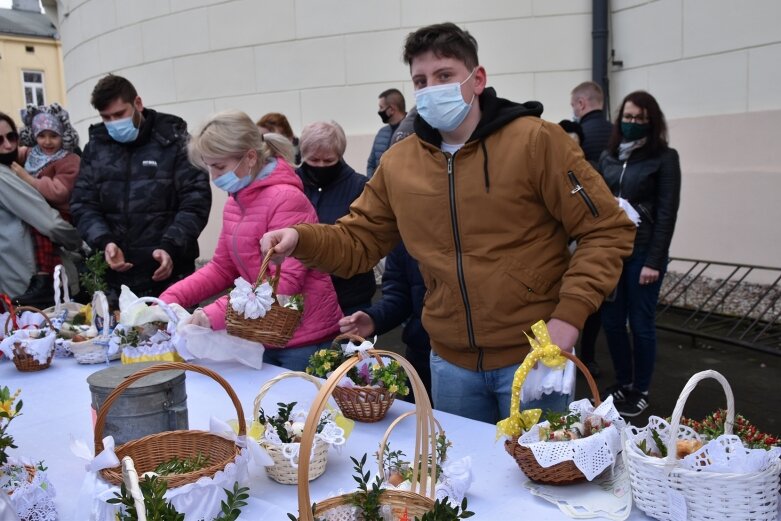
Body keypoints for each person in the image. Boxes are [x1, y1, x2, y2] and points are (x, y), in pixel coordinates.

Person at [261, 22, 636, 424]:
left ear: (477, 79)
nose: (431, 89)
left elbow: (606, 229)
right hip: (450, 363)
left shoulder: (536, 142)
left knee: (541, 478)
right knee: (464, 481)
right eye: (420, 81)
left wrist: (569, 317)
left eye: (444, 76)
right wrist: (300, 237)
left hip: (535, 355)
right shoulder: (400, 163)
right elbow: (358, 241)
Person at [159, 110, 342, 371]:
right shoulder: (237, 201)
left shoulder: (286, 199)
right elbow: (222, 267)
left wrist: (211, 314)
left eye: (219, 166)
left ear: (250, 157)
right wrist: (169, 299)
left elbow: (284, 283)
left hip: (305, 340)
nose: (213, 176)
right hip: (265, 335)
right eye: (209, 166)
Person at [70, 74, 211, 306]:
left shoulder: (174, 141)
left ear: (137, 103)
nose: (114, 123)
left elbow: (195, 202)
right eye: (106, 117)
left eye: (119, 114)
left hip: (171, 276)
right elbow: (83, 204)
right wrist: (104, 242)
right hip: (116, 283)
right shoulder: (96, 147)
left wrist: (170, 247)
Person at [598, 90, 681, 417]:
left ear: (652, 121)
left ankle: (641, 389)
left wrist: (654, 262)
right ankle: (623, 381)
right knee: (613, 322)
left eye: (640, 119)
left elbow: (666, 214)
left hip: (643, 251)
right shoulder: (609, 157)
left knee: (641, 324)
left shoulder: (664, 158)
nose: (633, 123)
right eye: (628, 117)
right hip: (612, 252)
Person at [296, 120, 376, 314]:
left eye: (328, 161)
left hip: (349, 295)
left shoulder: (360, 186)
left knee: (349, 344)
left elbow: (365, 241)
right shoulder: (292, 184)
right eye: (314, 160)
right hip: (300, 293)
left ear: (340, 156)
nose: (321, 166)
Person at [0, 112, 82, 298]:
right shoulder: (4, 176)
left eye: (12, 137)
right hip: (26, 283)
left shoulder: (18, 164)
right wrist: (78, 242)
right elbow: (50, 224)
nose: (8, 145)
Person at [340, 241, 432, 402]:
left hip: (480, 354)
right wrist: (374, 318)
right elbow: (399, 295)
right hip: (422, 355)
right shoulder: (405, 236)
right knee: (422, 421)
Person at [366, 88, 406, 178]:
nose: (379, 111)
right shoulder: (381, 132)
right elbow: (371, 164)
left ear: (391, 109)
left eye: (381, 107)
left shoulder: (412, 132)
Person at [570, 81, 613, 164]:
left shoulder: (576, 135)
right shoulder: (617, 131)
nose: (573, 110)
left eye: (573, 105)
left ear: (581, 103)